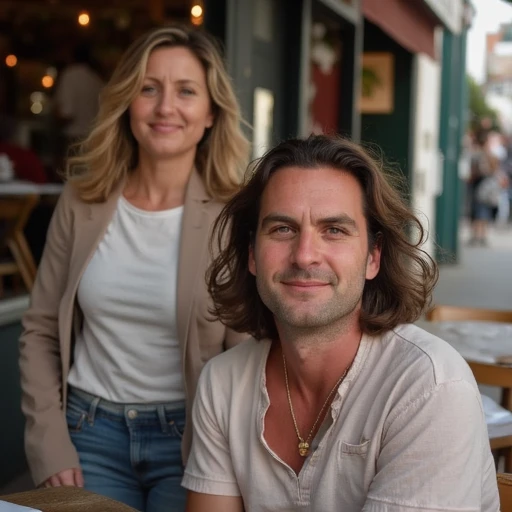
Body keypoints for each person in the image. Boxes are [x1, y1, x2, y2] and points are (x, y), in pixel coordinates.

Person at [182, 135, 499, 511]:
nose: (304, 255)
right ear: (252, 255)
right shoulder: (223, 382)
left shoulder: (429, 387)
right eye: (282, 229)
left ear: (373, 257)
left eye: (334, 230)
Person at [19, 25, 249, 512]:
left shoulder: (235, 215)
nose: (166, 107)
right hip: (88, 433)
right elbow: (40, 328)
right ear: (128, 102)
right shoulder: (82, 200)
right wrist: (49, 438)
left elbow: (247, 351)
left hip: (192, 439)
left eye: (186, 91)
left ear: (211, 113)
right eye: (149, 88)